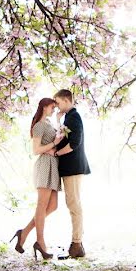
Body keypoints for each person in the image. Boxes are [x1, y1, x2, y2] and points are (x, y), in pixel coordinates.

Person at [10, 98, 63, 260]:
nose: (54, 110)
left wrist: (59, 123)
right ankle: (40, 242)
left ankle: (24, 232)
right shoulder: (39, 125)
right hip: (44, 166)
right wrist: (53, 143)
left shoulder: (48, 123)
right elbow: (36, 149)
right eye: (52, 107)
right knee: (42, 205)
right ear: (45, 107)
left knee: (52, 206)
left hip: (53, 165)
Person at [51, 89, 90, 259]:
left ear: (67, 101)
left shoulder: (74, 117)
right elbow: (63, 137)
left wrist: (57, 154)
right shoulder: (68, 117)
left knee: (74, 204)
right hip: (70, 168)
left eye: (58, 102)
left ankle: (77, 244)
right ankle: (76, 243)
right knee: (72, 203)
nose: (57, 106)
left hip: (74, 167)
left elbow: (74, 143)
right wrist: (58, 120)